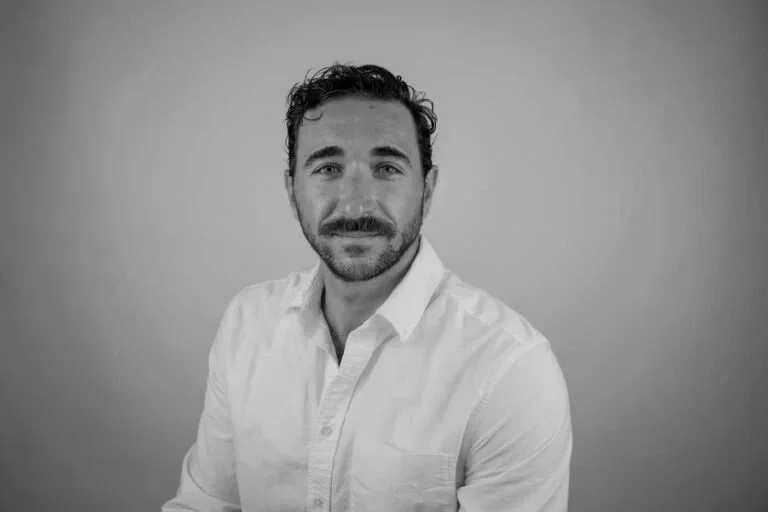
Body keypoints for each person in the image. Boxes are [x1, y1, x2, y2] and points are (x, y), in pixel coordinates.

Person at [162, 63, 572, 512]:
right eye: (328, 167)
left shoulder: (511, 370)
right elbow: (205, 503)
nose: (356, 204)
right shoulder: (248, 324)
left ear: (427, 191)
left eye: (387, 167)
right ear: (292, 191)